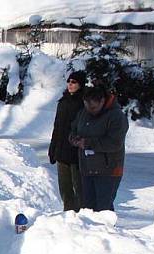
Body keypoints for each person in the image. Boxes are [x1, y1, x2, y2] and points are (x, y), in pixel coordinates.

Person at [69, 85, 129, 212]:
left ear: (102, 101)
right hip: (87, 168)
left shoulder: (116, 116)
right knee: (87, 209)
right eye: (86, 106)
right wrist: (74, 139)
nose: (90, 110)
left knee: (103, 209)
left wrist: (88, 143)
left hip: (109, 170)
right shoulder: (83, 113)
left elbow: (115, 143)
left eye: (94, 107)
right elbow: (73, 129)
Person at [49, 70, 87, 212]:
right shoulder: (63, 101)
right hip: (61, 150)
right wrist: (53, 148)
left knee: (79, 188)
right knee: (64, 188)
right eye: (69, 81)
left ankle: (81, 215)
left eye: (74, 82)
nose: (70, 84)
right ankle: (68, 214)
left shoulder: (84, 103)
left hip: (76, 152)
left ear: (80, 84)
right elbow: (57, 127)